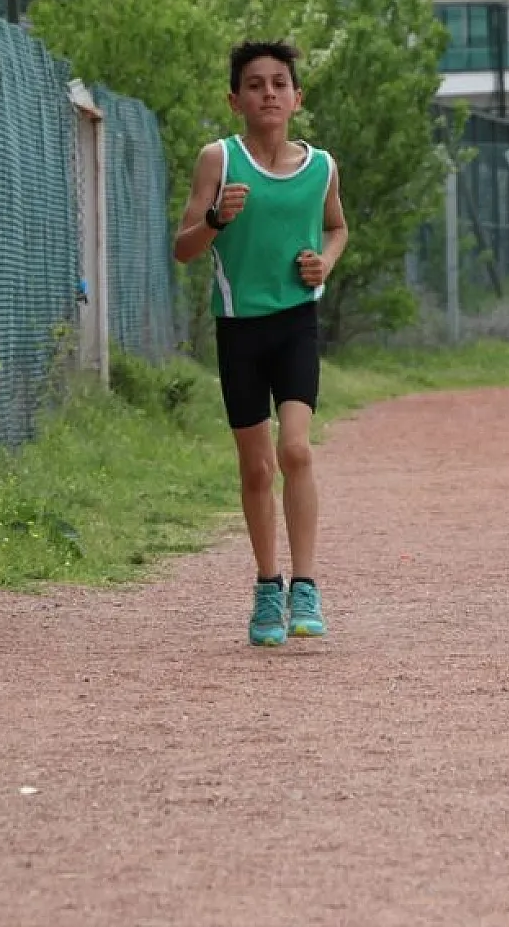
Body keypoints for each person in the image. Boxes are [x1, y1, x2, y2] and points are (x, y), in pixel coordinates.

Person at [173, 40, 348, 647]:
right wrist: (216, 219)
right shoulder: (218, 160)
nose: (268, 93)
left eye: (279, 83)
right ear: (235, 100)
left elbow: (337, 227)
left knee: (295, 450)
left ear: (297, 98)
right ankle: (268, 585)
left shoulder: (321, 167)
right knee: (257, 465)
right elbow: (184, 247)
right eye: (255, 84)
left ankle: (307, 585)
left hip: (296, 322)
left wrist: (324, 263)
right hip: (239, 327)